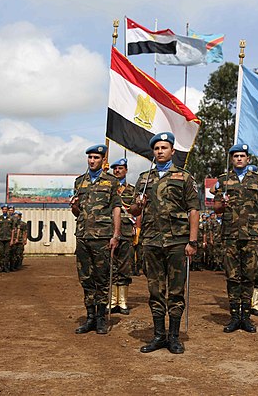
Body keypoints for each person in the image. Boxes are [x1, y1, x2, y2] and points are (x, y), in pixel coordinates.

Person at [129, 132, 199, 354]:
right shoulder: (143, 179)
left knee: (176, 290)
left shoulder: (184, 177)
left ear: (172, 151)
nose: (160, 151)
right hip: (151, 241)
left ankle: (175, 337)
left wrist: (193, 241)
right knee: (155, 290)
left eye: (164, 148)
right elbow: (133, 210)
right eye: (157, 148)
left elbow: (194, 210)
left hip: (178, 241)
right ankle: (159, 336)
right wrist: (138, 205)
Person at [213, 143, 258, 333]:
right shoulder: (224, 180)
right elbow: (216, 209)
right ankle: (234, 316)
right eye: (235, 156)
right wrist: (222, 202)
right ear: (231, 159)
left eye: (242, 156)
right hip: (229, 234)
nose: (239, 158)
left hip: (252, 235)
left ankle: (246, 317)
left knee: (249, 276)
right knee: (232, 276)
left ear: (248, 159)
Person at [71, 144, 121, 335]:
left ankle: (101, 318)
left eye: (96, 158)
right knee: (85, 278)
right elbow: (77, 212)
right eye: (90, 157)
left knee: (101, 278)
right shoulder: (80, 182)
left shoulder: (111, 181)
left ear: (103, 160)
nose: (92, 161)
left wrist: (116, 234)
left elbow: (116, 208)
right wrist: (74, 206)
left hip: (102, 237)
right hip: (83, 236)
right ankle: (90, 317)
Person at [109, 158, 135, 315]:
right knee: (111, 266)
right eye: (115, 169)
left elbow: (137, 210)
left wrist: (137, 228)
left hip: (125, 231)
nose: (117, 171)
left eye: (120, 168)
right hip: (109, 230)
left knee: (124, 266)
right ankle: (112, 301)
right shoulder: (108, 187)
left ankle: (123, 302)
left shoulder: (132, 190)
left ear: (126, 170)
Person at [0, 204, 15, 273]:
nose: (4, 210)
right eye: (3, 209)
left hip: (8, 239)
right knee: (1, 253)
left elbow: (13, 229)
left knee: (7, 253)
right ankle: (1, 267)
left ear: (7, 210)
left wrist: (12, 239)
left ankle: (6, 267)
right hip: (1, 239)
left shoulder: (11, 218)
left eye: (6, 209)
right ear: (2, 210)